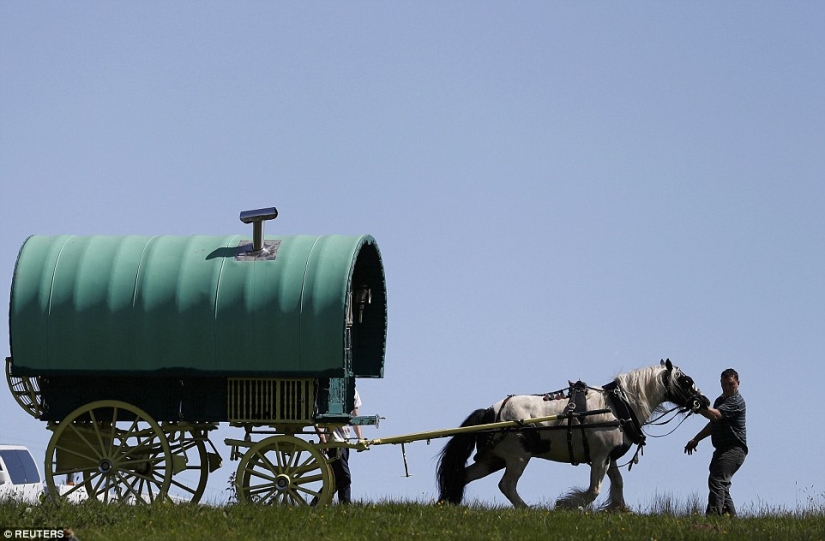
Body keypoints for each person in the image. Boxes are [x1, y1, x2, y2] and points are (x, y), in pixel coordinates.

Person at [684, 368, 747, 516]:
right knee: (721, 486)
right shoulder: (720, 400)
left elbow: (716, 415)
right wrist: (696, 439)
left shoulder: (736, 401)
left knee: (717, 481)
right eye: (724, 384)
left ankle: (713, 518)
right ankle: (732, 521)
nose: (727, 388)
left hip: (734, 449)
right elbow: (713, 423)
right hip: (721, 449)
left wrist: (699, 407)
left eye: (731, 384)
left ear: (738, 383)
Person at [317, 388, 363, 504]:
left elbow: (355, 417)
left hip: (345, 441)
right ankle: (345, 506)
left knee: (337, 478)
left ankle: (316, 503)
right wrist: (322, 437)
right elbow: (316, 417)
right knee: (344, 477)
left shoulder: (352, 391)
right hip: (334, 441)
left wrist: (360, 438)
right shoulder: (325, 389)